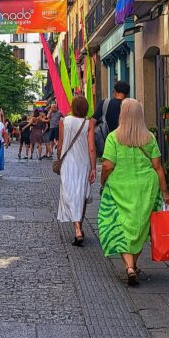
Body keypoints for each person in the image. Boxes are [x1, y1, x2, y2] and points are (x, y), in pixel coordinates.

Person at [98, 98, 169, 286]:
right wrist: (165, 192)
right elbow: (158, 167)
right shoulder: (149, 137)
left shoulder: (113, 137)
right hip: (146, 189)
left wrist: (102, 181)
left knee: (119, 226)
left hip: (120, 188)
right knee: (140, 228)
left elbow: (107, 165)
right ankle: (133, 265)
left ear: (123, 114)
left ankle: (129, 266)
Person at [57, 95, 96, 246]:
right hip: (83, 163)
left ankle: (77, 229)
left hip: (68, 163)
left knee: (69, 193)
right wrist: (93, 168)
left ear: (72, 107)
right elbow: (91, 148)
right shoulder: (89, 123)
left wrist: (59, 159)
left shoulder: (64, 122)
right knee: (81, 194)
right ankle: (79, 226)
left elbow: (60, 145)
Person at [93, 80, 130, 144]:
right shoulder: (130, 106)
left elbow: (92, 122)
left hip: (106, 143)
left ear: (115, 92)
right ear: (126, 94)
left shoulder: (105, 103)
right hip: (125, 144)